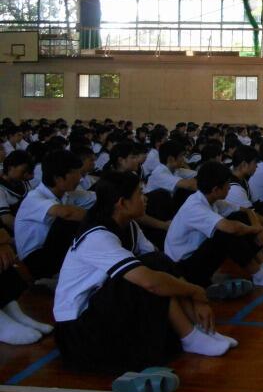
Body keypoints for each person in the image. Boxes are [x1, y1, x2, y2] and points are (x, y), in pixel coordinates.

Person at [54, 171, 236, 373]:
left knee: (157, 264)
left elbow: (164, 264)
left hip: (102, 308)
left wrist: (196, 296)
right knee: (149, 275)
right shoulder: (97, 236)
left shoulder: (129, 226)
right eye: (140, 193)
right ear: (121, 203)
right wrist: (195, 291)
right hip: (79, 332)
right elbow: (150, 281)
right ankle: (190, 336)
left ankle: (201, 328)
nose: (145, 197)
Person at [164, 161, 263, 289]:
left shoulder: (211, 200)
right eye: (227, 184)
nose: (229, 188)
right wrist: (254, 229)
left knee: (239, 217)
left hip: (197, 258)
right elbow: (230, 228)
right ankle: (260, 276)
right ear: (216, 189)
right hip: (184, 269)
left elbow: (247, 211)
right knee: (227, 232)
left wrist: (259, 229)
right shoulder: (195, 206)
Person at [15, 150, 95, 280]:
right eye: (76, 173)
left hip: (52, 254)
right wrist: (102, 219)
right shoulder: (34, 198)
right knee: (68, 222)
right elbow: (66, 213)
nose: (80, 178)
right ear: (58, 178)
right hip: (34, 261)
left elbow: (95, 197)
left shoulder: (66, 193)